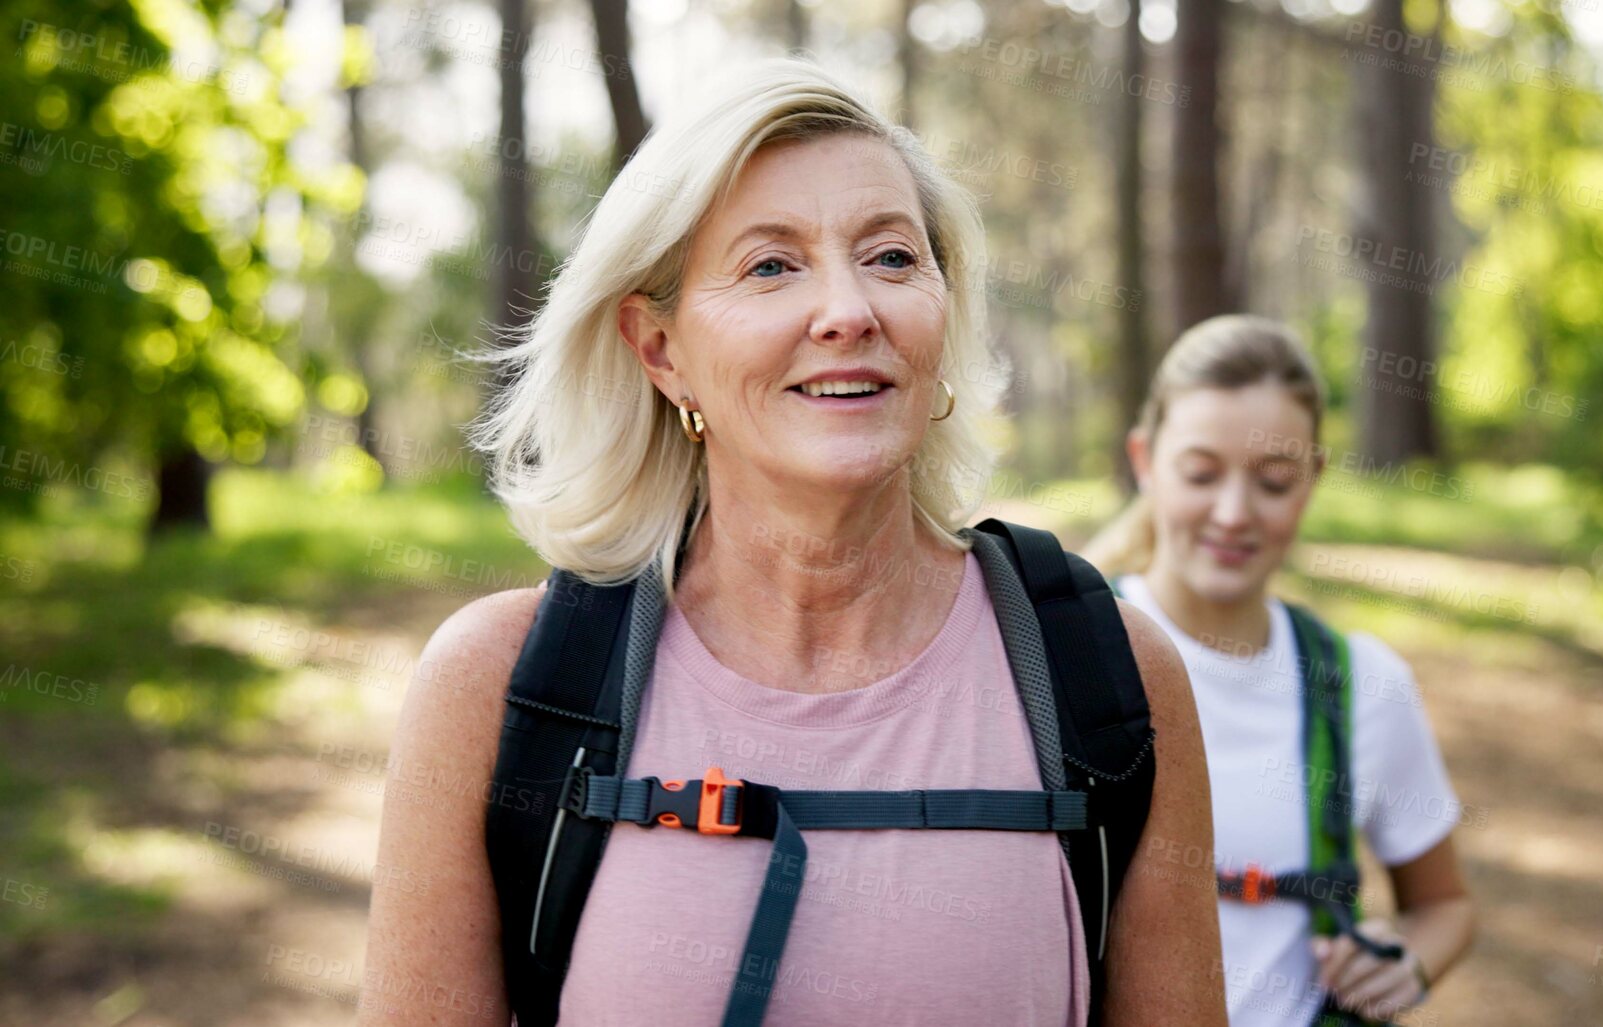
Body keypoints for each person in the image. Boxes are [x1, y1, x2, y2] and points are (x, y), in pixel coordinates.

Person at [359, 59, 1225, 1026]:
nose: (850, 311)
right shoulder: (496, 686)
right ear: (660, 351)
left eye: (890, 257)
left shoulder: (1108, 675)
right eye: (770, 266)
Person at [1083, 315, 1476, 1025]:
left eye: (1273, 480)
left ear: (1313, 477)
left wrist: (1404, 965)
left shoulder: (1362, 684)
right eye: (1201, 474)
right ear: (1144, 460)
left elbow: (1444, 905)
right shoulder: (1068, 650)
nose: (1234, 513)